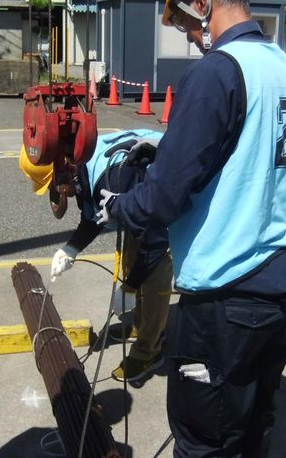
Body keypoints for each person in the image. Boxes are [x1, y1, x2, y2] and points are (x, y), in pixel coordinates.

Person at [95, 0, 286, 458]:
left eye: (184, 21)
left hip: (223, 300)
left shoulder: (218, 72)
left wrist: (119, 205)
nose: (190, 36)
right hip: (276, 288)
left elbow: (166, 196)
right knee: (251, 430)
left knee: (205, 447)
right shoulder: (283, 67)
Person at [20, 129, 173, 383]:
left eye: (55, 189)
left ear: (64, 169)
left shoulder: (116, 177)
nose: (59, 195)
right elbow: (94, 213)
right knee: (132, 255)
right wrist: (71, 249)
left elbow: (155, 242)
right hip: (140, 199)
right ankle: (141, 323)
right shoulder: (82, 161)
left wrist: (130, 287)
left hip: (163, 198)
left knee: (154, 273)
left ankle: (149, 350)